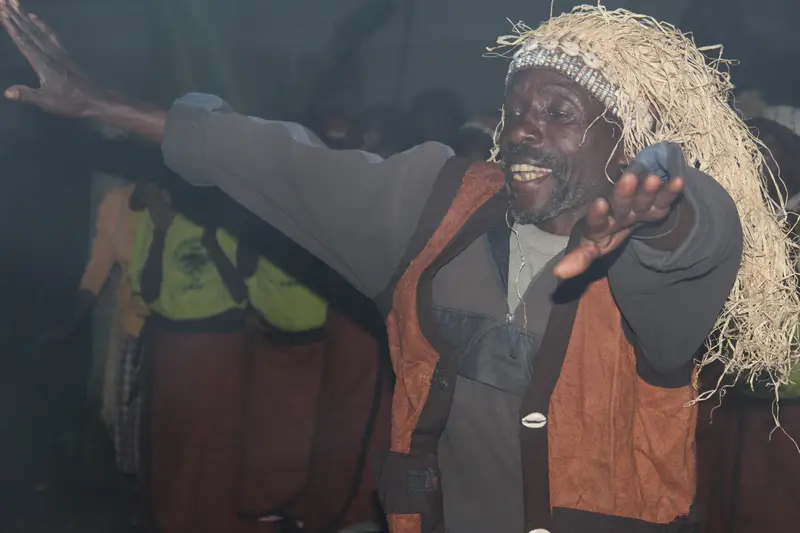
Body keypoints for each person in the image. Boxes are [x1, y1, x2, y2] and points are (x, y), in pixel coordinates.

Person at [3, 4, 798, 533]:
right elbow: (275, 158)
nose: (526, 130)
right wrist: (102, 105)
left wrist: (664, 207)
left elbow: (693, 247)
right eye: (518, 110)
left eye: (560, 114)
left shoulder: (652, 262)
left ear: (621, 140)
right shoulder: (437, 200)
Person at [128, 188, 254, 533]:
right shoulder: (155, 223)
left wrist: (212, 237)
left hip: (222, 348)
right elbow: (149, 291)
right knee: (173, 440)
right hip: (173, 349)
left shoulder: (227, 223)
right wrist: (161, 232)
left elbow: (241, 292)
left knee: (218, 445)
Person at [37, 181, 161, 474]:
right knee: (123, 419)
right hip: (133, 325)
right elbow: (98, 268)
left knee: (163, 422)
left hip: (175, 330)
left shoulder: (177, 206)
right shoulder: (115, 204)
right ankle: (134, 495)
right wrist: (70, 323)